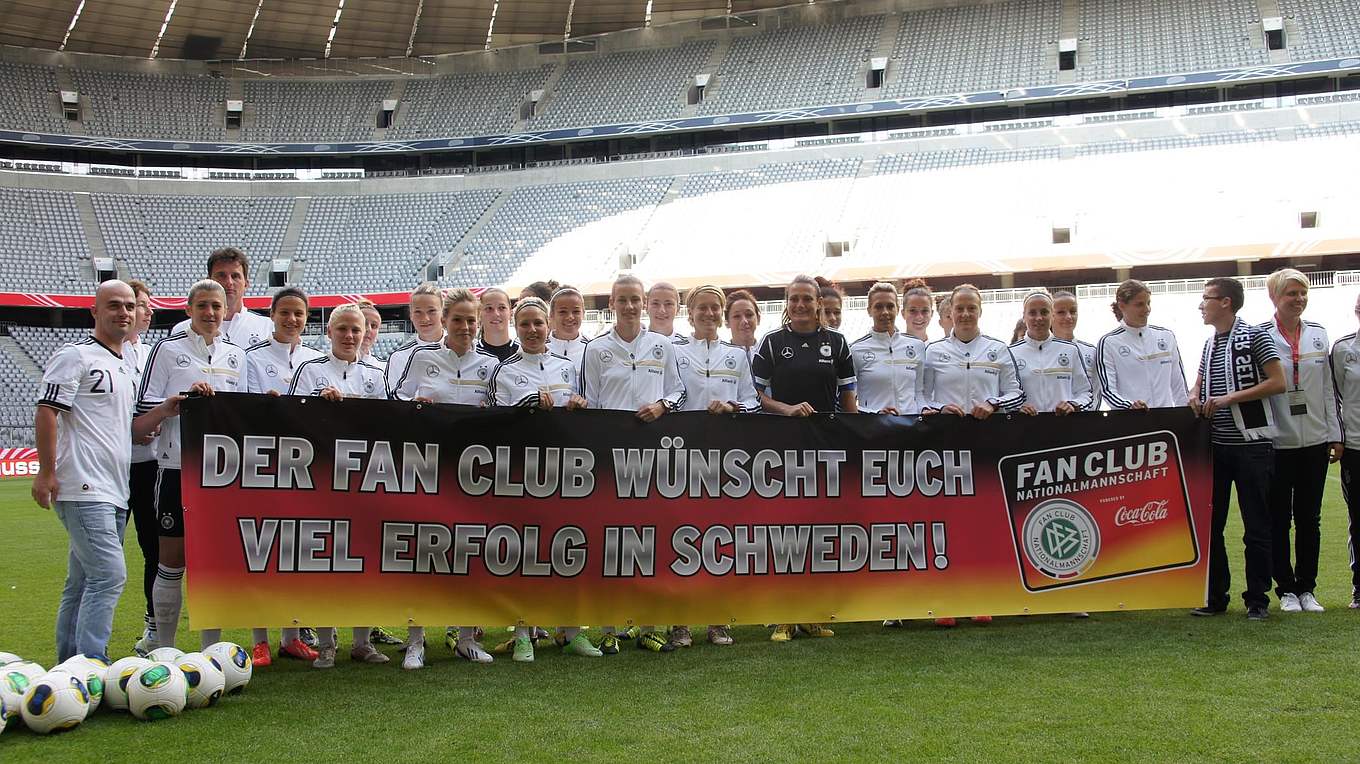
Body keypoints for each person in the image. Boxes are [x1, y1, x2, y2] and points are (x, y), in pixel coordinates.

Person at [388, 289, 501, 670]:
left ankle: (466, 638)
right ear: (445, 321)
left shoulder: (490, 365)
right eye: (458, 320)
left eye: (471, 320)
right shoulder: (422, 357)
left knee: (469, 552)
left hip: (472, 476)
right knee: (423, 553)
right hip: (427, 470)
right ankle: (416, 641)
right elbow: (395, 399)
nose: (465, 327)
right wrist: (416, 408)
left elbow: (501, 414)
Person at [134, 280, 248, 651]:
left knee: (212, 565)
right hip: (175, 469)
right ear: (189, 310)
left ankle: (210, 652)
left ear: (226, 311)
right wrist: (180, 401)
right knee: (171, 561)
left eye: (216, 306)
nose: (210, 313)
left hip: (223, 475)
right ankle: (164, 648)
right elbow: (142, 411)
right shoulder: (167, 350)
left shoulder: (237, 356)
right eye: (202, 305)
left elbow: (244, 414)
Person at [33, 280, 139, 662]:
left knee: (80, 583)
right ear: (95, 311)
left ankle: (69, 664)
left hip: (115, 489)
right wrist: (46, 472)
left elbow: (126, 427)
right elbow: (47, 410)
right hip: (83, 484)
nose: (123, 312)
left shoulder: (126, 364)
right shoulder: (75, 355)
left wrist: (167, 409)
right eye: (114, 305)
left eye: (129, 306)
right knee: (109, 575)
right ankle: (93, 663)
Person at [579, 275, 686, 654]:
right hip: (611, 460)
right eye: (622, 300)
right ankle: (609, 628)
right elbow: (590, 402)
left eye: (635, 300)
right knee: (611, 541)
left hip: (653, 457)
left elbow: (678, 390)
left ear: (644, 303)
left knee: (650, 540)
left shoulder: (662, 345)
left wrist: (662, 406)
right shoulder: (595, 349)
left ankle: (649, 627)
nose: (629, 306)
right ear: (611, 303)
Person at [752, 274, 856, 642]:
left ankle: (812, 614)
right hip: (782, 448)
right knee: (785, 530)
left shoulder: (837, 343)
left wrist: (856, 437)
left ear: (818, 303)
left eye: (806, 299)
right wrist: (788, 409)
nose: (800, 305)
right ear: (787, 303)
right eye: (793, 299)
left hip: (825, 449)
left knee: (818, 530)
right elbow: (756, 395)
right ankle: (783, 615)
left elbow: (849, 400)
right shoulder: (772, 343)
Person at [287, 304, 391, 667]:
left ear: (365, 334)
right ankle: (327, 641)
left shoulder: (376, 375)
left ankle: (362, 641)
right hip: (323, 480)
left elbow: (390, 426)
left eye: (356, 330)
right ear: (329, 332)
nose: (349, 336)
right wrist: (319, 407)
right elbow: (290, 420)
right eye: (342, 329)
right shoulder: (309, 370)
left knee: (366, 558)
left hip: (366, 479)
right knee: (327, 560)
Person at [920, 283, 1024, 627]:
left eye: (971, 308)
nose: (965, 314)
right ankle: (946, 600)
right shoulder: (933, 351)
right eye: (959, 308)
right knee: (947, 522)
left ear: (980, 311)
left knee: (983, 521)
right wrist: (939, 408)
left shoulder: (997, 349)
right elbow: (920, 396)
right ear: (950, 312)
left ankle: (982, 597)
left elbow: (1016, 393)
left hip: (986, 447)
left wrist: (993, 403)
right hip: (944, 448)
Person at [1189, 277, 1285, 620]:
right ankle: (1216, 596)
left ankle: (1257, 600)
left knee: (1256, 525)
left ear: (1225, 302)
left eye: (1207, 298)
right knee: (1211, 525)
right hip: (1217, 446)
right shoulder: (1209, 343)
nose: (1201, 305)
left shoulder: (1255, 336)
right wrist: (1194, 395)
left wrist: (1230, 398)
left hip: (1252, 445)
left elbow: (1278, 382)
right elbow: (1199, 383)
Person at [668, 286, 759, 648]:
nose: (708, 313)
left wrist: (733, 407)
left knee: (720, 536)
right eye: (701, 308)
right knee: (681, 537)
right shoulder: (674, 351)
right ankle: (680, 622)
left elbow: (752, 401)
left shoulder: (736, 355)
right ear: (689, 314)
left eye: (715, 308)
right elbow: (669, 396)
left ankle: (718, 620)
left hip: (725, 460)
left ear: (722, 313)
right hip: (683, 456)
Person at [242, 287, 323, 665]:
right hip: (262, 466)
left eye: (299, 314)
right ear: (272, 315)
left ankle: (291, 636)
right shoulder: (252, 357)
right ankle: (259, 640)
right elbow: (238, 408)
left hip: (304, 470)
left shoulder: (315, 360)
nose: (292, 320)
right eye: (285, 312)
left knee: (297, 553)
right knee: (262, 551)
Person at [1259, 269, 1339, 614]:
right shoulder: (1260, 335)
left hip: (1315, 441)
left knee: (1310, 519)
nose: (1299, 299)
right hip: (1278, 444)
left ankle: (1307, 588)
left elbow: (1326, 388)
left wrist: (1334, 434)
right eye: (1291, 293)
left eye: (1303, 293)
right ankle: (1286, 590)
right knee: (1279, 520)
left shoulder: (1318, 334)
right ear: (1275, 297)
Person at [124, 279, 161, 656]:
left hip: (149, 466)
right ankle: (82, 647)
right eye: (140, 305)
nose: (147, 311)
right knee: (102, 565)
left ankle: (152, 626)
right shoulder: (97, 355)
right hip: (109, 468)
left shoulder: (151, 354)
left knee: (154, 549)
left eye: (148, 306)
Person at [1096, 279, 1189, 410]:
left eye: (1148, 303)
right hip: (1133, 418)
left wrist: (1185, 413)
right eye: (1139, 304)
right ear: (1122, 306)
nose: (1147, 309)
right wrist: (1129, 405)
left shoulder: (1166, 336)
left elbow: (1179, 384)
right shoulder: (1108, 342)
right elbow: (1107, 390)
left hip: (1166, 417)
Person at [1010, 289, 1094, 416]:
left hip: (1063, 424)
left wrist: (1073, 405)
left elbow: (1086, 393)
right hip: (1024, 426)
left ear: (1052, 315)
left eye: (1044, 312)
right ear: (1024, 316)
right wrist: (1017, 408)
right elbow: (1004, 394)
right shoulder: (1010, 353)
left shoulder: (1070, 350)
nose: (1039, 318)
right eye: (1032, 313)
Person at [170, 247, 273, 346]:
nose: (229, 282)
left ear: (246, 283)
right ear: (209, 281)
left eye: (235, 276)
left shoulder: (267, 327)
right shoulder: (182, 330)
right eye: (221, 275)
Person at [851, 282, 926, 415]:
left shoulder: (917, 345)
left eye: (890, 306)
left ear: (897, 309)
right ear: (869, 310)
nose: (885, 312)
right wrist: (875, 413)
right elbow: (849, 400)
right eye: (878, 307)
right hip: (875, 425)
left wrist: (924, 409)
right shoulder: (856, 349)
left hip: (911, 424)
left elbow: (919, 393)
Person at [1329, 294, 1360, 610]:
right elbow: (1334, 397)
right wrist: (1337, 437)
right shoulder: (1342, 349)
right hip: (1355, 446)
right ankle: (1359, 588)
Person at [384, 283, 444, 398]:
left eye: (431, 311)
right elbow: (393, 401)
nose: (425, 318)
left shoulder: (461, 349)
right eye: (418, 312)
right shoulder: (399, 357)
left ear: (443, 312)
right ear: (411, 315)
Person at [1051, 290, 1102, 411]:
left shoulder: (1091, 351)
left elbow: (1096, 390)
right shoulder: (1043, 351)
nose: (1068, 317)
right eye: (1061, 312)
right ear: (1050, 315)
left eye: (1073, 311)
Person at [547, 285, 589, 369]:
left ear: (583, 313)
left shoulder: (591, 348)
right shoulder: (540, 349)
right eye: (563, 312)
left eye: (576, 311)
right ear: (551, 314)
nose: (570, 317)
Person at [477, 287, 520, 361]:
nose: (496, 314)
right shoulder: (471, 354)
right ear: (479, 314)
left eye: (502, 308)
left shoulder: (522, 352)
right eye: (489, 308)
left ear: (510, 313)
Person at [725, 289, 761, 360]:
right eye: (737, 316)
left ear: (758, 318)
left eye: (749, 315)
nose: (744, 321)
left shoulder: (768, 353)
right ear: (727, 322)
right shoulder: (720, 357)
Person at [357, 298, 386, 372]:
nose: (369, 329)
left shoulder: (384, 368)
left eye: (374, 326)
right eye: (363, 323)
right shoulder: (330, 366)